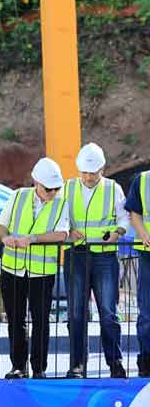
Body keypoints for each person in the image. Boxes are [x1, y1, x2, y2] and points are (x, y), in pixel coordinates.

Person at [0, 158, 69, 379]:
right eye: (49, 189)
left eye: (56, 188)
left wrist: (34, 238)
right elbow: (0, 226)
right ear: (36, 182)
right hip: (13, 269)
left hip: (42, 273)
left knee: (41, 321)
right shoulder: (17, 196)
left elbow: (62, 234)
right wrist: (6, 238)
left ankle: (39, 368)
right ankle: (18, 365)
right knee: (15, 319)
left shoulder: (61, 203)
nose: (53, 192)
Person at [63, 143, 128, 378]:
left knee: (109, 313)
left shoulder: (113, 189)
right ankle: (78, 365)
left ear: (102, 169)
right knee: (76, 313)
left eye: (93, 172)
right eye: (84, 172)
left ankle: (115, 363)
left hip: (105, 256)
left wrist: (118, 233)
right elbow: (59, 217)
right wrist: (68, 230)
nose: (88, 177)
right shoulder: (68, 187)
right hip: (76, 255)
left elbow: (124, 217)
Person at [126, 166, 150, 377]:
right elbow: (135, 214)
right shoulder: (142, 180)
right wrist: (144, 236)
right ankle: (146, 360)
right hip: (147, 254)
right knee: (147, 312)